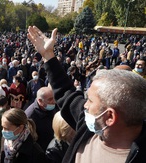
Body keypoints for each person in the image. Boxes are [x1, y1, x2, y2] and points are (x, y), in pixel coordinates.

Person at [27, 26, 146, 163]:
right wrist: (48, 55)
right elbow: (66, 94)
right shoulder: (91, 128)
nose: (85, 105)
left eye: (89, 100)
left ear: (110, 116)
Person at [25, 87, 58, 151]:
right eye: (50, 99)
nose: (54, 101)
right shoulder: (30, 116)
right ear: (40, 101)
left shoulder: (52, 107)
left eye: (54, 98)